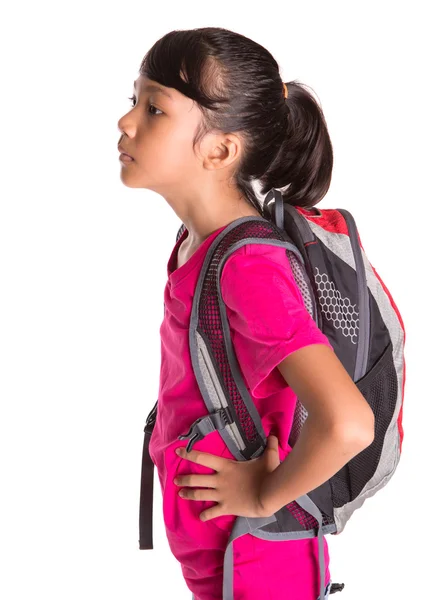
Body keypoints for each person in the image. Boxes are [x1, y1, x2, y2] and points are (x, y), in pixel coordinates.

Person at [117, 27, 375, 600]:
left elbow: (349, 423)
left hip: (257, 562)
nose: (126, 122)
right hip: (229, 563)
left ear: (220, 150)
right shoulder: (199, 242)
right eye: (132, 100)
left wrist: (261, 496)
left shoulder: (248, 266)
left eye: (154, 108)